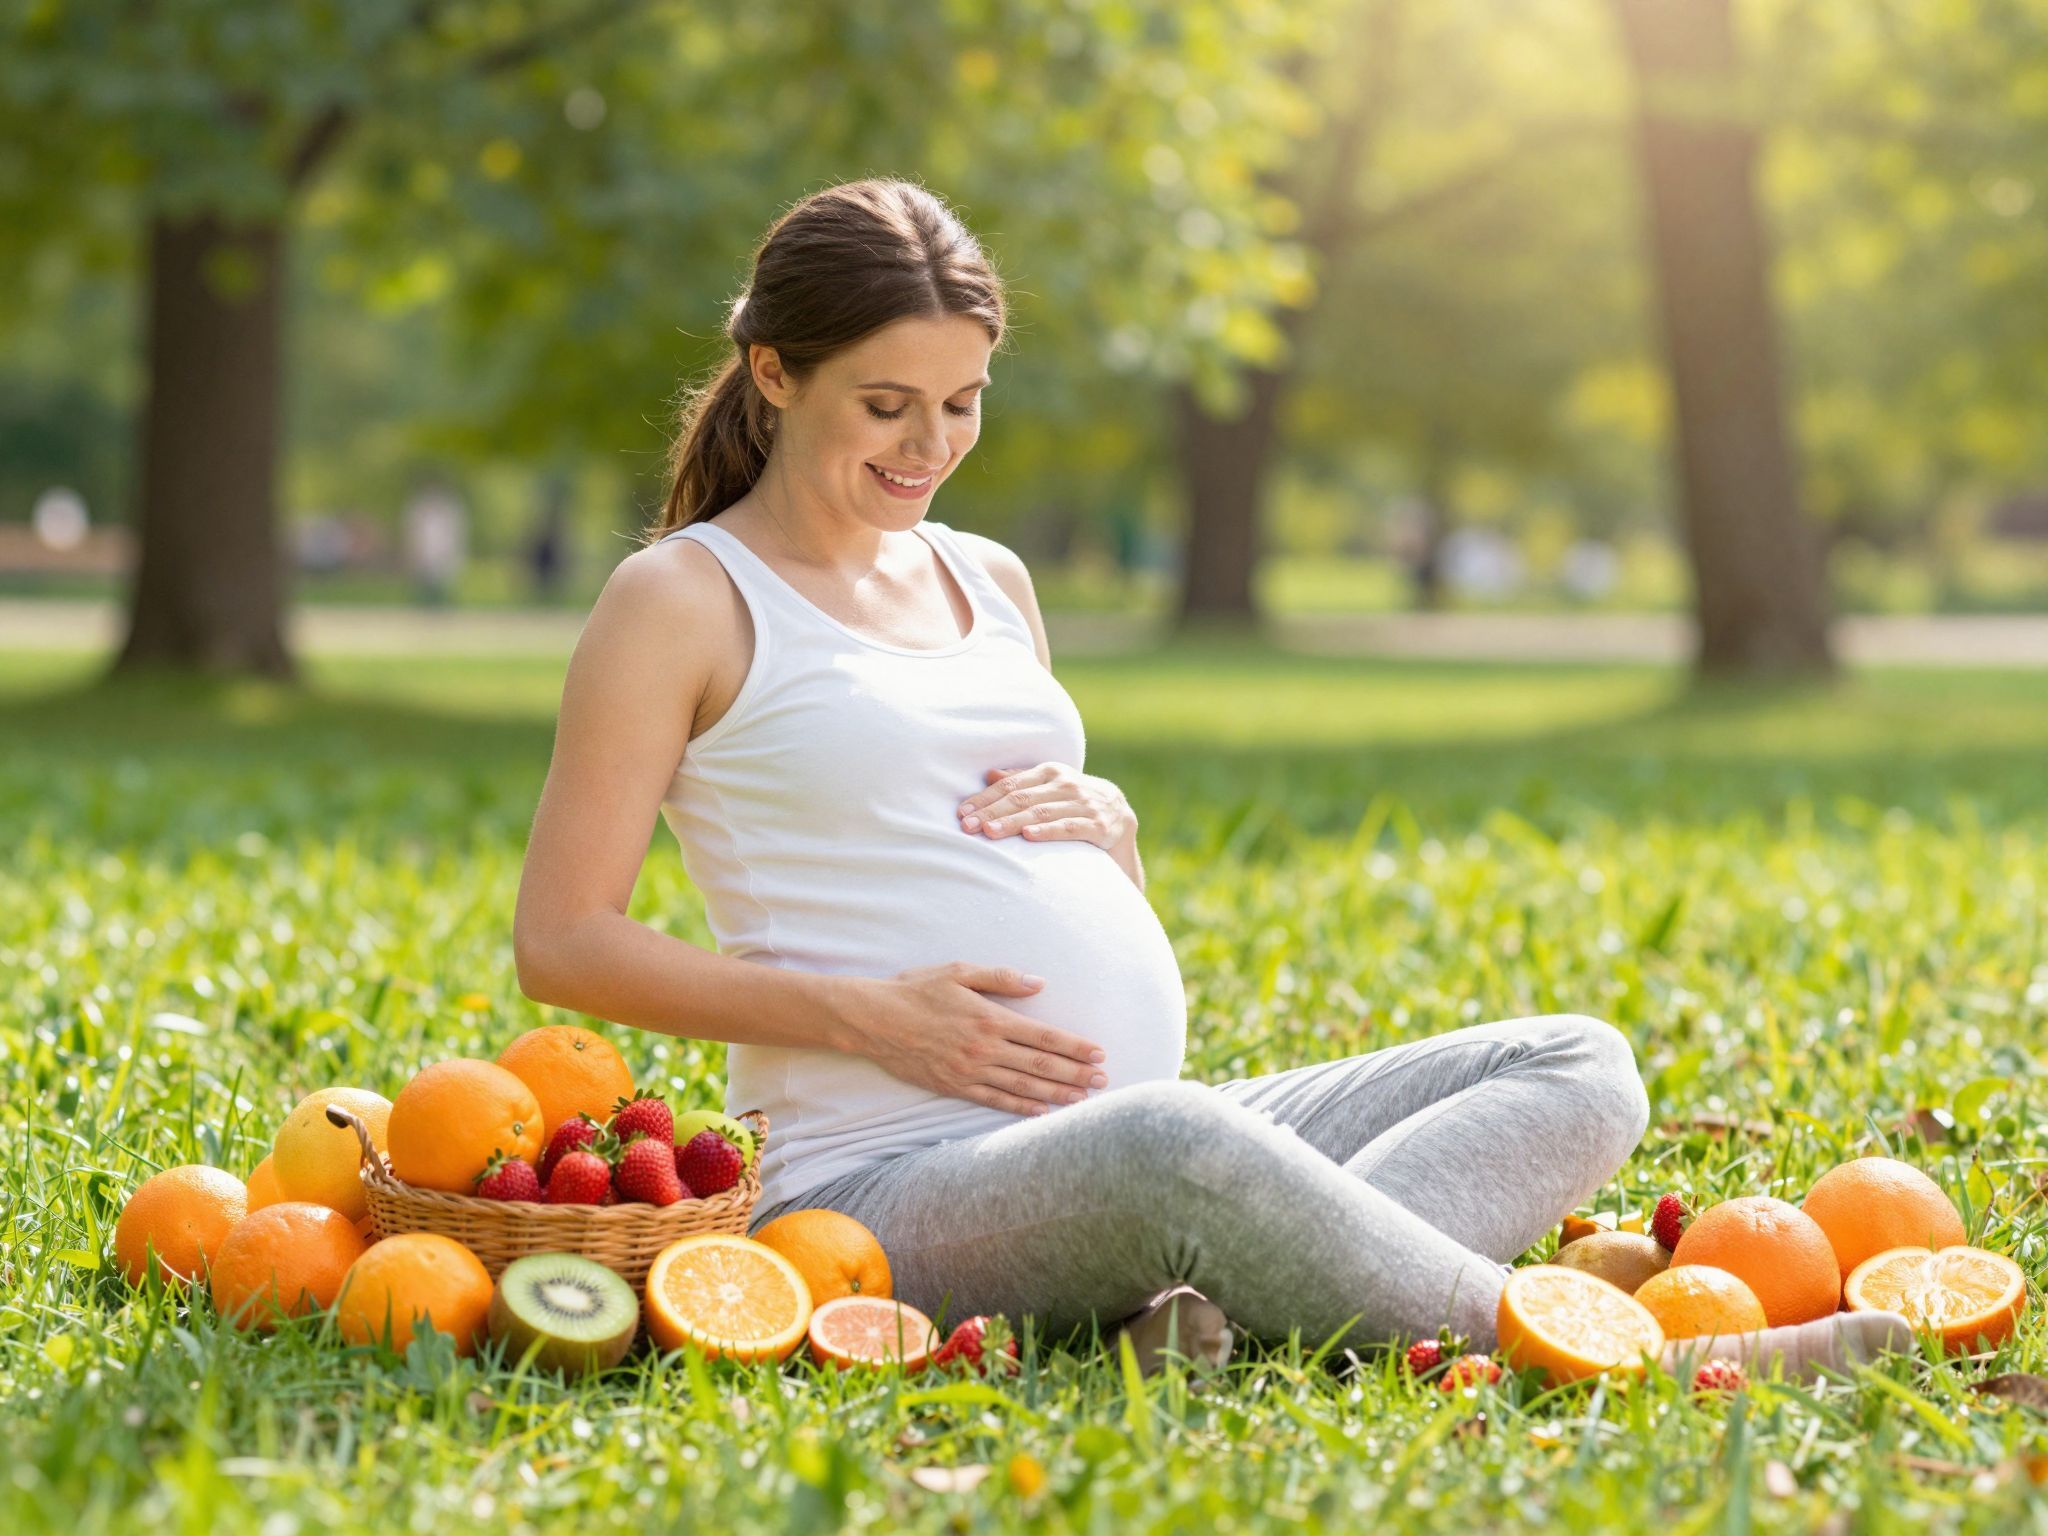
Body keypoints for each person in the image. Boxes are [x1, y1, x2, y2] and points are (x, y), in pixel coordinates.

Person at [513, 179, 1907, 1380]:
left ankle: (1233, 1295)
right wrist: (870, 1016)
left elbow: (990, 850)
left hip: (1123, 1138)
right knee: (1176, 1148)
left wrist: (1110, 838)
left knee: (1576, 1065)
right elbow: (563, 941)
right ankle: (1622, 1353)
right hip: (881, 1182)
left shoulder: (987, 578)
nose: (929, 446)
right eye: (886, 406)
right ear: (774, 373)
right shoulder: (683, 601)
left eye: (961, 403)